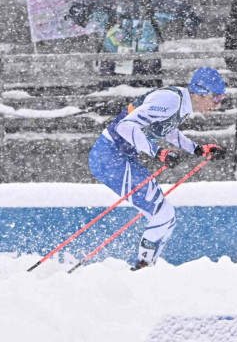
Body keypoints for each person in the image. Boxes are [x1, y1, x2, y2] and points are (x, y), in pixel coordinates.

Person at [88, 67, 226, 270]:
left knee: (167, 219)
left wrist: (197, 149)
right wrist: (158, 152)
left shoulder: (180, 103)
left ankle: (147, 267)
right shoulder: (170, 100)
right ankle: (142, 267)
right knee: (163, 214)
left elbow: (165, 129)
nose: (219, 104)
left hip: (122, 157)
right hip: (109, 157)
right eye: (216, 98)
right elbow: (124, 126)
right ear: (201, 92)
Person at [67, 0, 200, 88]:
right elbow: (79, 8)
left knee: (149, 98)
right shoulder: (107, 3)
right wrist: (77, 15)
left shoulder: (156, 3)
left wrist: (189, 21)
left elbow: (183, 8)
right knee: (111, 98)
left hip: (147, 65)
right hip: (113, 64)